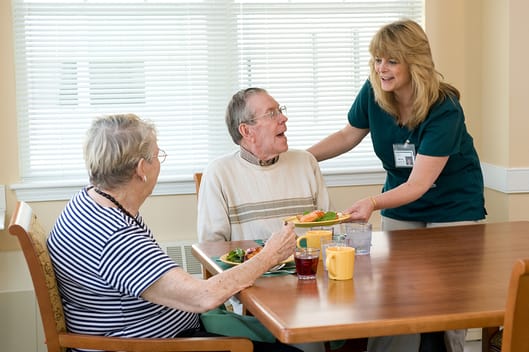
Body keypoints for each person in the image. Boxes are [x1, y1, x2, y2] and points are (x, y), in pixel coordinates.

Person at [47, 113, 300, 352]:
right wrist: (269, 255)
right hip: (158, 345)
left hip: (159, 331)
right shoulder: (114, 236)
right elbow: (204, 297)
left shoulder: (91, 200)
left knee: (273, 332)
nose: (159, 163)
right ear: (141, 169)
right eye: (157, 156)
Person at [308, 20, 486, 352]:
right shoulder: (375, 91)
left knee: (447, 302)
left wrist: (373, 203)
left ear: (414, 62)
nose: (381, 69)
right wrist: (302, 158)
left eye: (391, 60)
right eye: (377, 59)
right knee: (396, 294)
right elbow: (348, 135)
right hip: (401, 202)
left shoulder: (444, 107)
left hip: (453, 206)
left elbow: (420, 182)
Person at [197, 87, 331, 242]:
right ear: (246, 131)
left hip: (308, 263)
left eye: (280, 110)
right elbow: (212, 247)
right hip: (252, 265)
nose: (283, 118)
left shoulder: (306, 162)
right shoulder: (219, 173)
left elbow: (330, 227)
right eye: (272, 113)